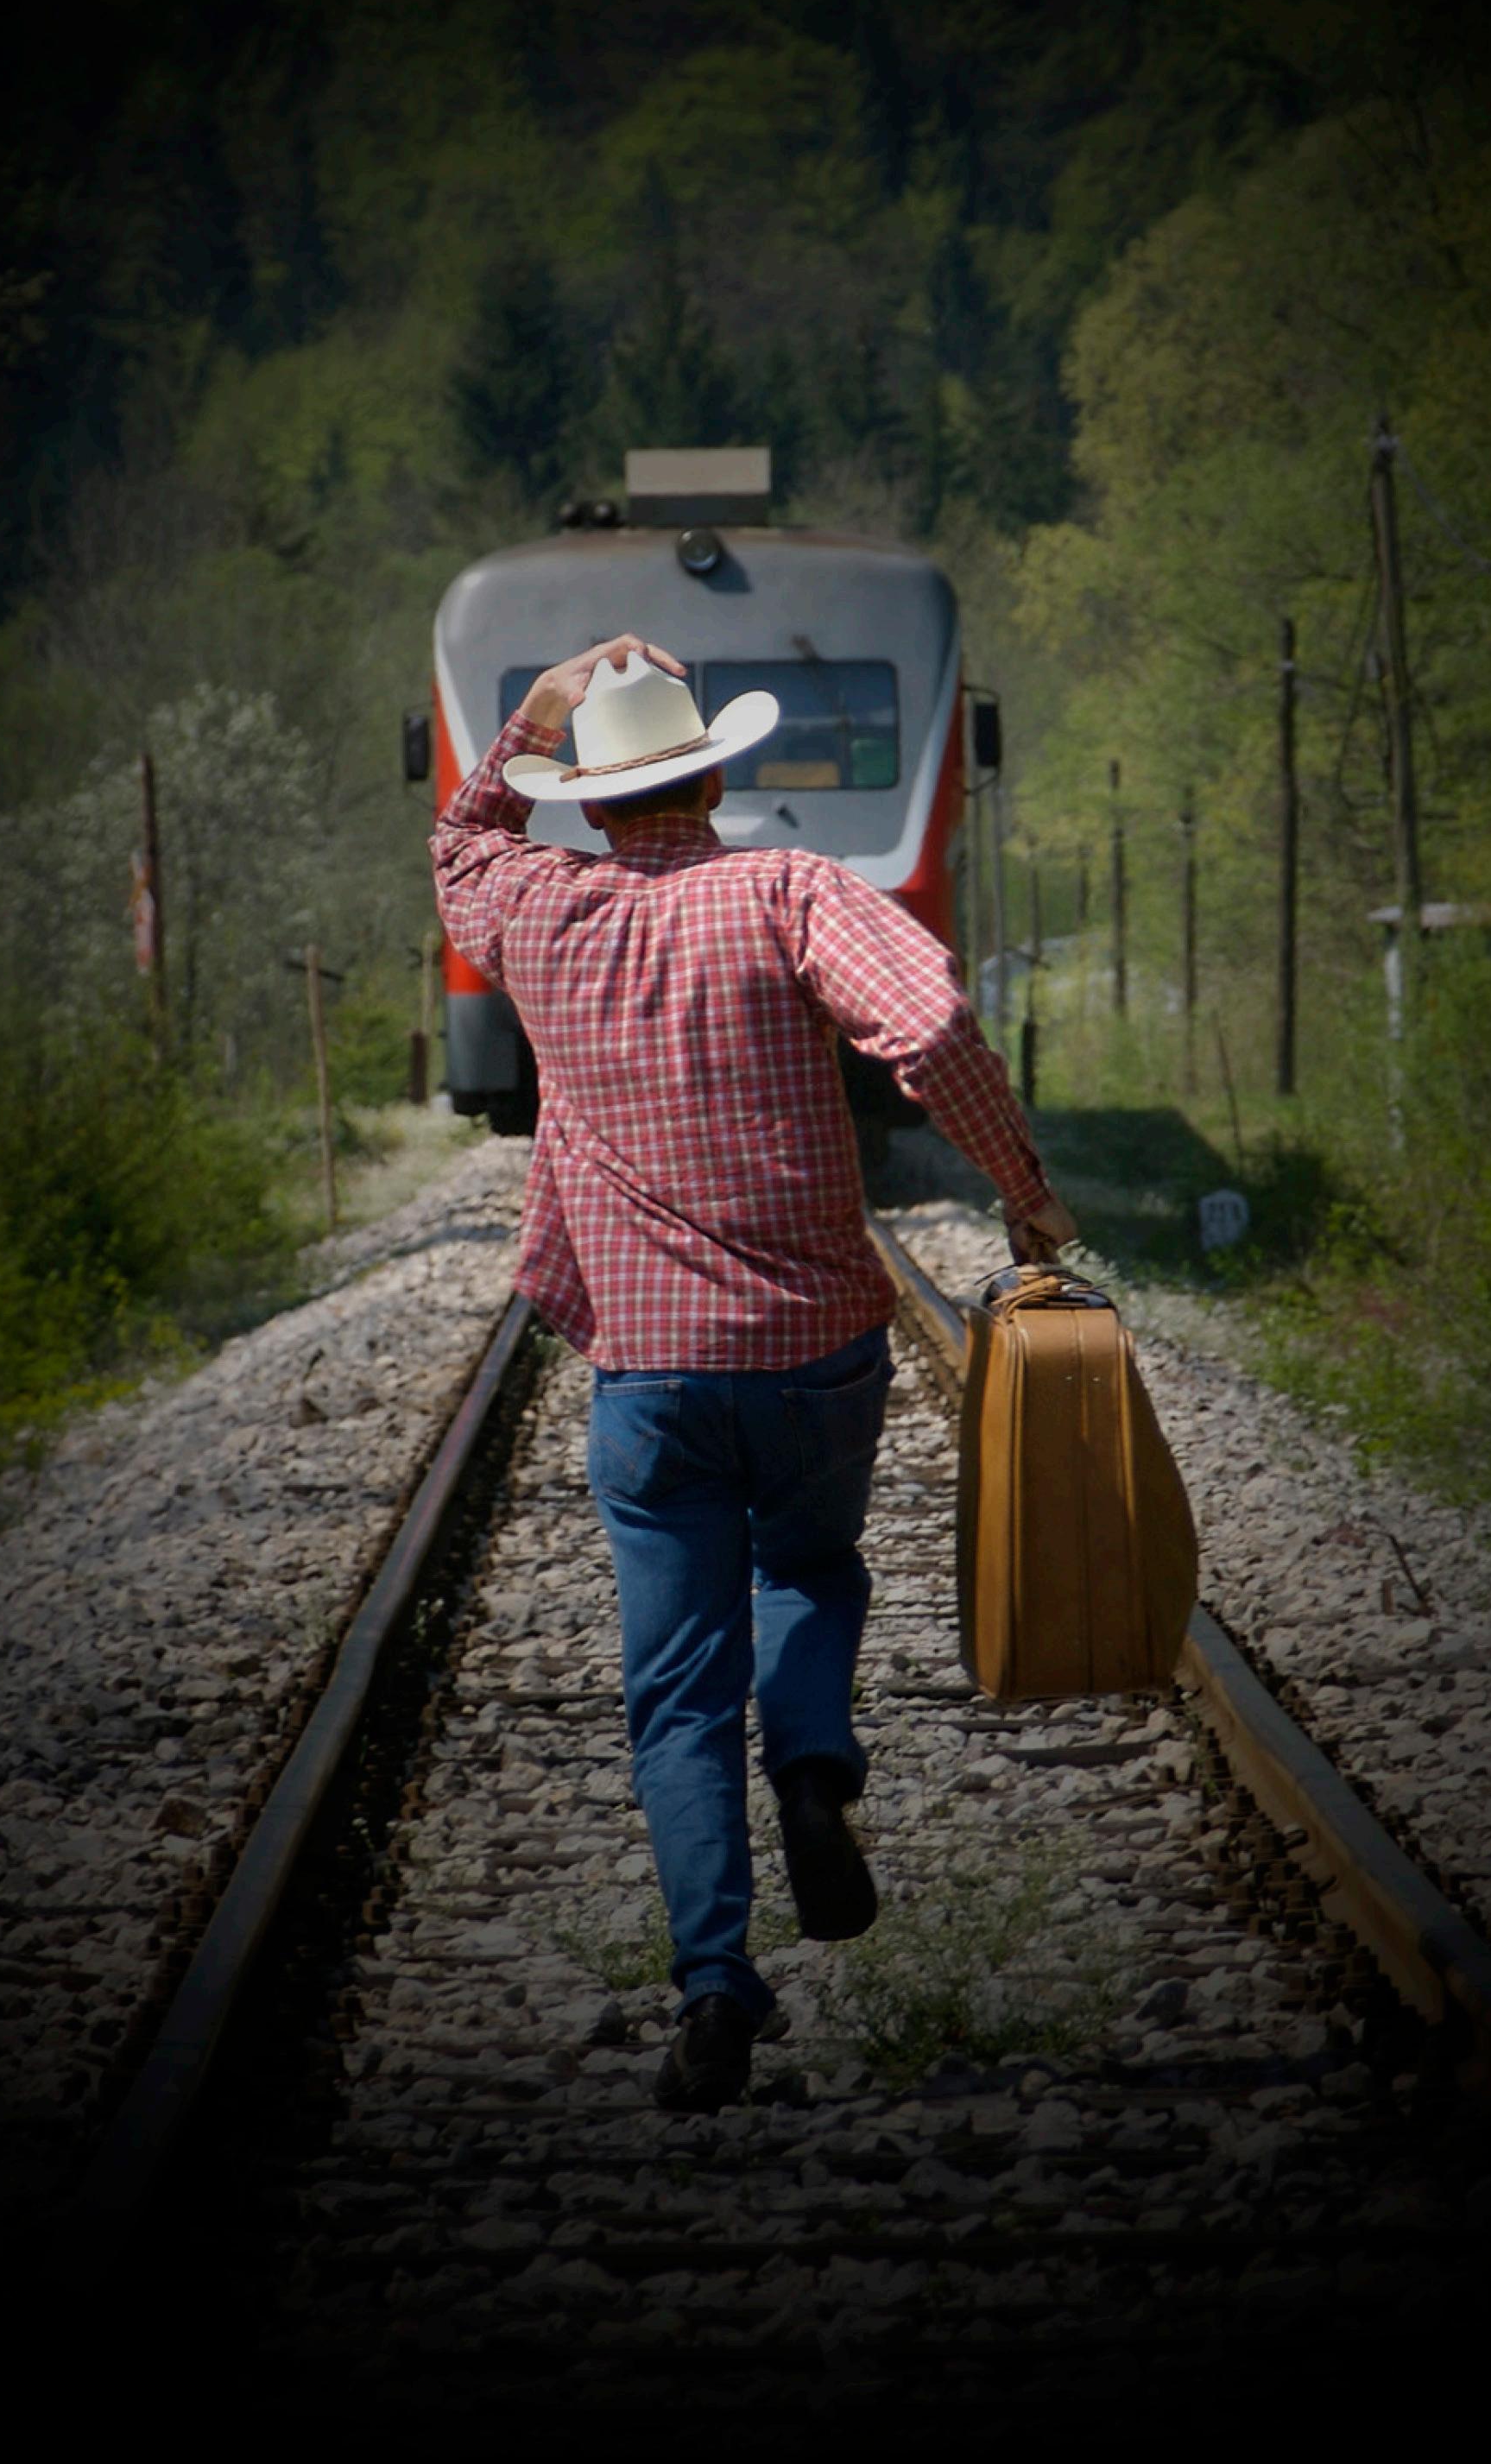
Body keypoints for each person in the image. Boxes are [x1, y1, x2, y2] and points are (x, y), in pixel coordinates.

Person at [433, 635, 1075, 2110]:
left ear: (592, 804)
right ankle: (810, 1772)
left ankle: (713, 1984)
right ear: (715, 780)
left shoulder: (536, 904)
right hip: (811, 1352)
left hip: (646, 1373)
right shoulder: (786, 891)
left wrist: (533, 712)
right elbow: (932, 1025)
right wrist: (1023, 1188)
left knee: (673, 1694)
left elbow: (460, 841)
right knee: (810, 1569)